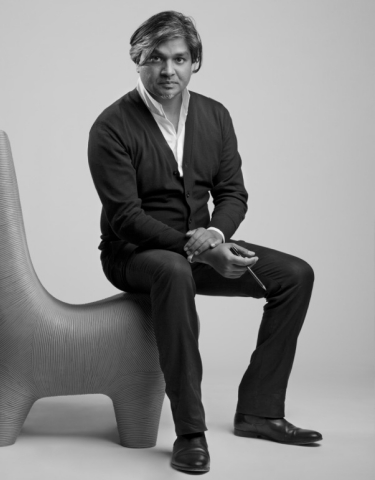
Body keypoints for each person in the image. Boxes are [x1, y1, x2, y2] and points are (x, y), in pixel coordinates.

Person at [88, 10, 322, 474]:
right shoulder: (111, 126)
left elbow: (232, 193)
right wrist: (199, 250)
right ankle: (190, 433)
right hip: (132, 253)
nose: (168, 70)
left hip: (201, 247)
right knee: (175, 270)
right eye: (155, 58)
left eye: (179, 59)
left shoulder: (215, 115)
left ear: (194, 62)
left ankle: (259, 412)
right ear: (137, 61)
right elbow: (126, 218)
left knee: (295, 276)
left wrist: (215, 236)